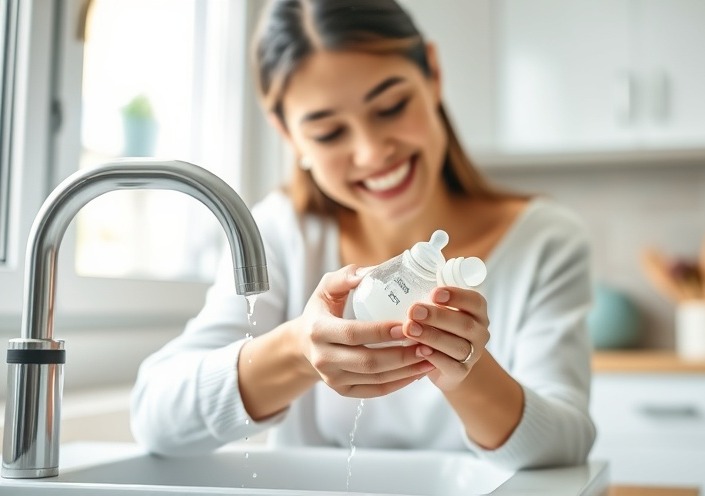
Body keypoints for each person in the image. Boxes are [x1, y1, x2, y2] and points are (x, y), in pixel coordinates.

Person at [131, 0, 596, 470]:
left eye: (391, 107)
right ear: (289, 136)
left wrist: (468, 372)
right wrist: (298, 351)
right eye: (330, 133)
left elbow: (566, 445)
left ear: (432, 74)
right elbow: (155, 417)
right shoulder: (280, 233)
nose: (373, 153)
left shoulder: (545, 242)